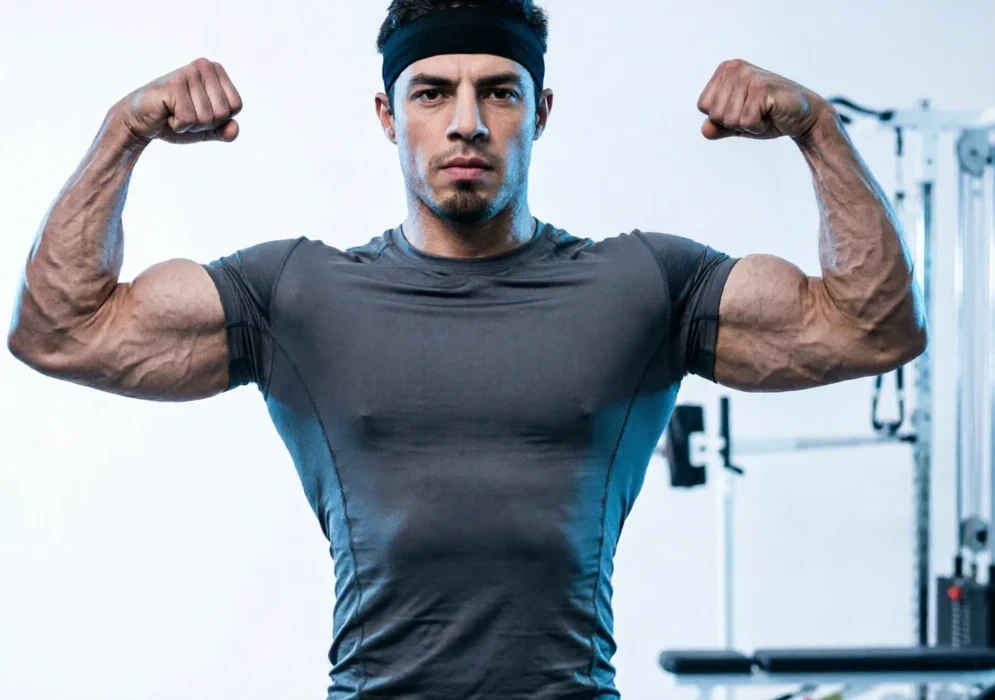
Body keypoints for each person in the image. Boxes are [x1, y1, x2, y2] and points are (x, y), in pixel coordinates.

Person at [6, 0, 926, 698]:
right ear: (386, 112)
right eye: (432, 92)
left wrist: (817, 129)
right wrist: (124, 131)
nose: (467, 124)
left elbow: (871, 325)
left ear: (541, 109)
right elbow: (59, 330)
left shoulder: (646, 286)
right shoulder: (295, 294)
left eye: (498, 91)